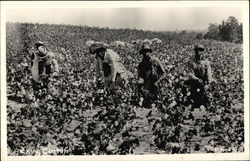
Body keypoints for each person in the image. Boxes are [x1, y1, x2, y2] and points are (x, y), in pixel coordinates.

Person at [185, 44, 214, 109]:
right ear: (195, 52)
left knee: (207, 95)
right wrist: (197, 79)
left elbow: (209, 74)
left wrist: (208, 83)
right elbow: (190, 74)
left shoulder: (206, 62)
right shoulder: (191, 61)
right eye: (197, 50)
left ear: (203, 52)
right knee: (190, 94)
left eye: (201, 50)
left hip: (203, 81)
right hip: (194, 82)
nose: (199, 52)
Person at [137, 42, 165, 106]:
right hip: (147, 82)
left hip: (157, 81)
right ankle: (145, 98)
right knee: (140, 85)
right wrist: (140, 81)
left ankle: (157, 98)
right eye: (144, 52)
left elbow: (164, 73)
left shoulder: (155, 61)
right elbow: (140, 76)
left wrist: (158, 81)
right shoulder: (141, 64)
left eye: (147, 51)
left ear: (150, 52)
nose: (145, 53)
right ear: (142, 53)